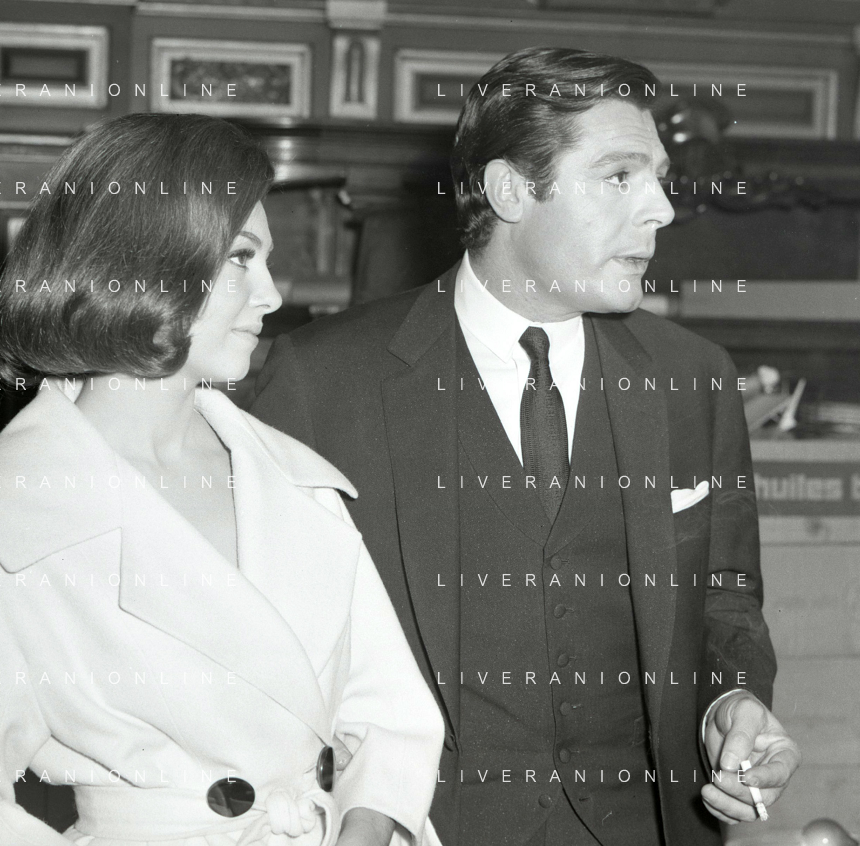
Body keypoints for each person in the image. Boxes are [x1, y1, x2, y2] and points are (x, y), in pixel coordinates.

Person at [252, 47, 800, 846]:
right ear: (511, 190)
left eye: (657, 178)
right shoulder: (320, 380)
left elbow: (724, 596)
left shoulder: (693, 378)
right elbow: (265, 648)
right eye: (619, 176)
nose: (660, 209)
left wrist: (732, 699)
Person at [0, 113, 444, 846]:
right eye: (241, 258)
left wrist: (363, 831)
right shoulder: (2, 530)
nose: (272, 295)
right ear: (144, 266)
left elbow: (389, 715)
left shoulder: (295, 482)